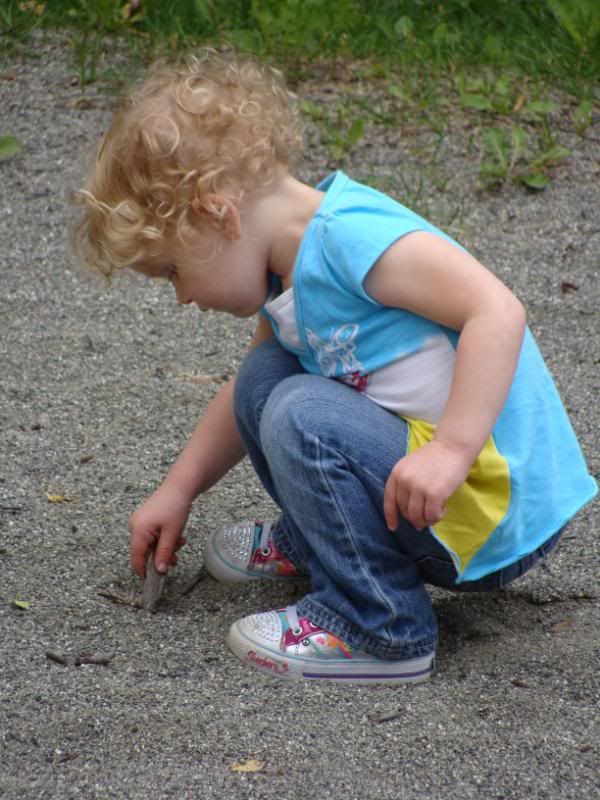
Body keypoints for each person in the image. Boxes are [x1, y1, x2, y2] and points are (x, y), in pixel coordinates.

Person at [73, 50, 597, 684]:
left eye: (173, 272)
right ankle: (322, 544)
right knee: (265, 379)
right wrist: (178, 489)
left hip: (490, 504)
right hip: (427, 487)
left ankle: (378, 625)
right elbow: (248, 395)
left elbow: (497, 309)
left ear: (218, 212)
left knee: (302, 412)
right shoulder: (285, 272)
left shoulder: (348, 238)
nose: (182, 296)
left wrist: (452, 450)